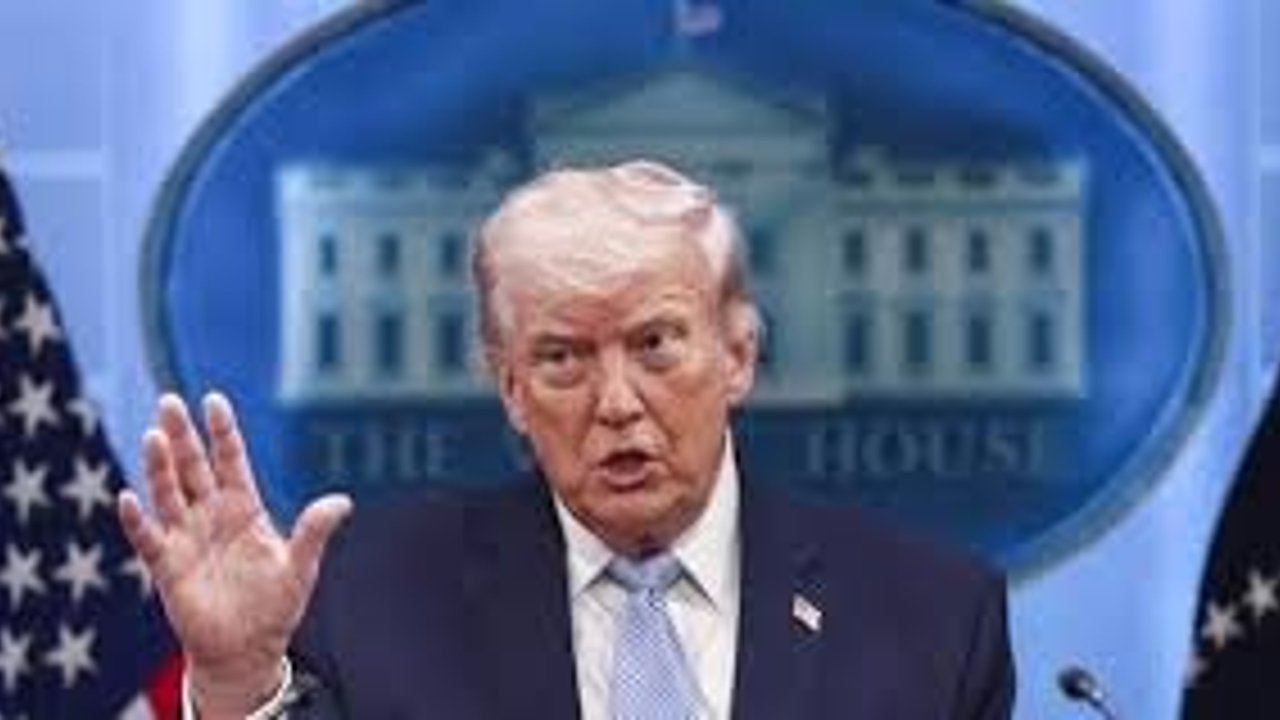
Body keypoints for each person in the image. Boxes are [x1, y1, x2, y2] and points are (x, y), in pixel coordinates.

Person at [118, 159, 1015, 719]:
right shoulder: (371, 597)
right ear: (510, 387)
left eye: (655, 344)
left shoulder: (931, 617)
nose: (616, 402)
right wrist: (236, 687)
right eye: (562, 358)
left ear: (739, 355)